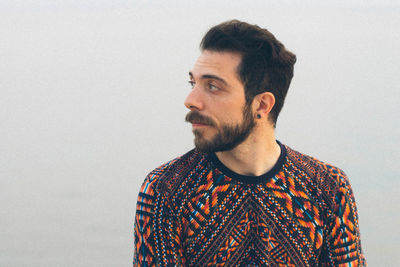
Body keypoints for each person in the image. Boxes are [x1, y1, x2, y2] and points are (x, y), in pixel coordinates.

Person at [133, 20, 366, 266]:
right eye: (194, 83)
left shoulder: (327, 187)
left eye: (212, 86)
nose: (191, 100)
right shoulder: (166, 190)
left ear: (262, 105)